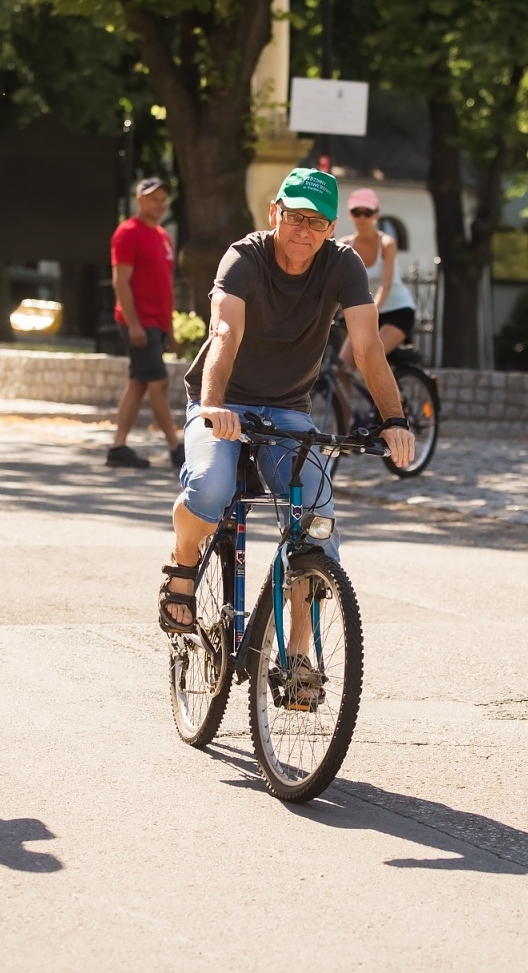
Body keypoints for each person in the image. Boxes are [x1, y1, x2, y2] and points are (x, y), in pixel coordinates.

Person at [158, 169, 415, 697]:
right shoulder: (244, 258)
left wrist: (394, 420)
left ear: (331, 227)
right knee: (209, 489)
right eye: (295, 216)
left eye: (316, 221)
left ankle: (296, 655)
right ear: (275, 212)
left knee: (317, 517)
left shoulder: (342, 264)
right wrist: (212, 404)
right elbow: (224, 329)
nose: (303, 229)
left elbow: (367, 348)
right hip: (223, 402)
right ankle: (183, 566)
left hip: (287, 412)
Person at [107, 176, 183, 470]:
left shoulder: (163, 235)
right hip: (139, 322)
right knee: (158, 383)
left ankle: (118, 447)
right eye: (154, 198)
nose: (160, 204)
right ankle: (177, 448)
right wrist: (134, 324)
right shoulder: (127, 232)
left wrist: (171, 328)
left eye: (163, 199)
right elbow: (121, 281)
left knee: (138, 383)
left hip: (157, 323)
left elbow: (166, 285)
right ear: (139, 200)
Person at [336, 187, 415, 371]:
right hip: (368, 315)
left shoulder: (387, 243)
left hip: (397, 311)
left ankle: (395, 400)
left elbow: (385, 287)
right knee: (341, 369)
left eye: (367, 212)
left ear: (376, 214)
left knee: (370, 359)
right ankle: (349, 401)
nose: (362, 218)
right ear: (350, 215)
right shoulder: (345, 246)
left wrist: (368, 314)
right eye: (357, 212)